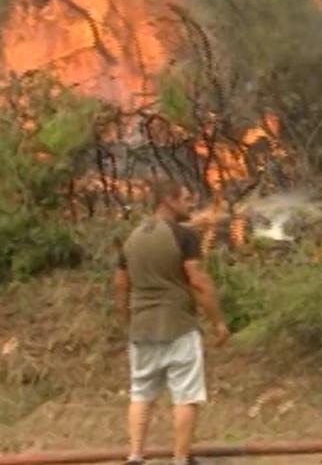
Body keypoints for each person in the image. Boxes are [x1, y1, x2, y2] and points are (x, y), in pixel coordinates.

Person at [113, 180, 230, 465]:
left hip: (141, 328)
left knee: (141, 393)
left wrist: (127, 319)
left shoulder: (132, 238)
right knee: (185, 396)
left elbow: (120, 284)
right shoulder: (184, 236)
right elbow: (198, 281)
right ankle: (180, 459)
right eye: (186, 198)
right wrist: (217, 322)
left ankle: (135, 456)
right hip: (179, 325)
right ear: (168, 199)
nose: (191, 204)